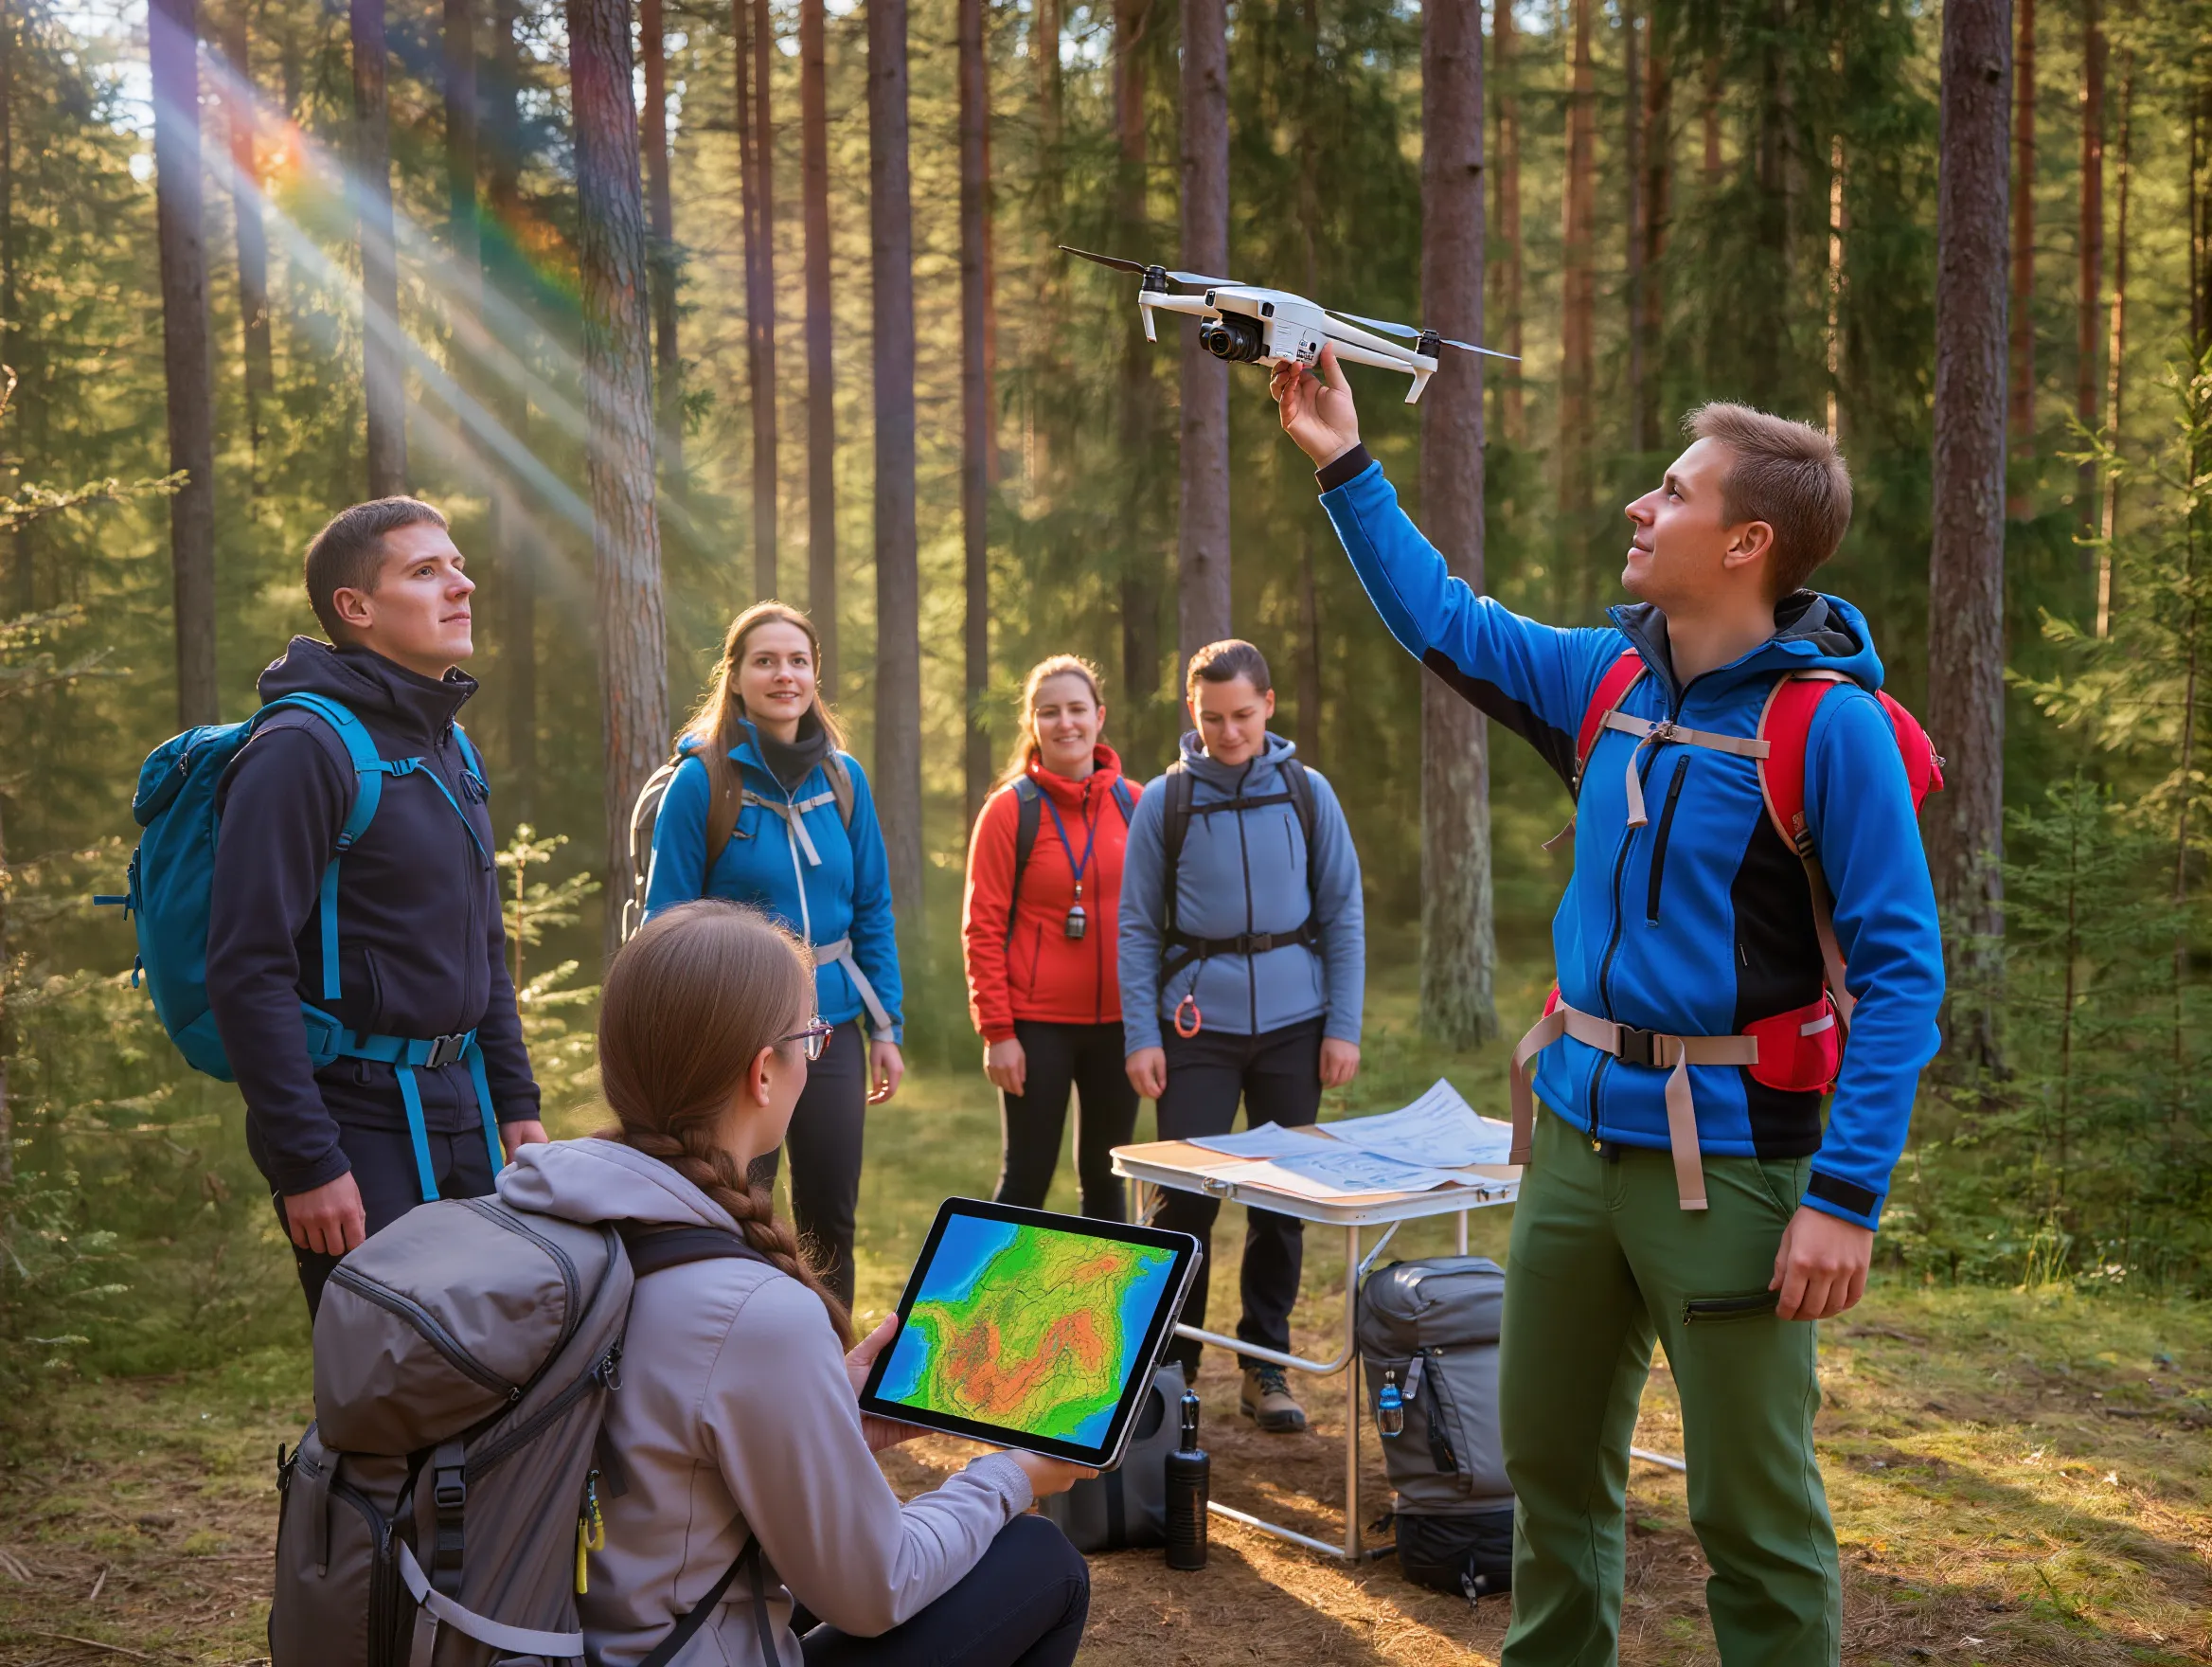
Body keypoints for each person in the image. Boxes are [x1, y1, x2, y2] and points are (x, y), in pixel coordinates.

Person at [1273, 348, 1943, 1664]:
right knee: (1554, 1474)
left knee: (1751, 1512)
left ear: (1747, 542)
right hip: (1575, 1146)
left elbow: (1905, 974)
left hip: (1738, 1169)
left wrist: (1845, 1198)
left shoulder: (1831, 731)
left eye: (1673, 493)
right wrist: (1343, 462)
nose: (1642, 507)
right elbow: (1447, 621)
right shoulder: (1609, 683)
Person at [497, 900, 1093, 1667]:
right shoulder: (753, 1313)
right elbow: (874, 1589)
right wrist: (1010, 1474)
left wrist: (833, 1407)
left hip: (564, 1638)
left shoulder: (554, 1216)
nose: (816, 1057)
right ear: (762, 1072)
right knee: (1039, 1563)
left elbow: (666, 1441)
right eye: (811, 1038)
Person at [206, 497, 546, 1317]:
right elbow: (247, 969)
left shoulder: (448, 744)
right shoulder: (300, 750)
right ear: (355, 608)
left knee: (482, 1367)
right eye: (425, 571)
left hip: (460, 1109)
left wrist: (518, 1106)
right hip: (352, 1124)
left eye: (457, 566)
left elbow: (483, 947)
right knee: (388, 1384)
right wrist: (308, 1162)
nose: (460, 586)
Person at [1117, 639, 1365, 1434]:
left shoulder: (1306, 790)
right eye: (1213, 718)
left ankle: (1266, 1367)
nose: (1229, 733)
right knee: (1182, 1206)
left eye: (1243, 716)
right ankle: (1172, 1373)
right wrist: (1141, 1035)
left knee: (1282, 1208)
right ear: (1194, 714)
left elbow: (1342, 913)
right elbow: (1135, 927)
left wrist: (1343, 1025)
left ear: (1267, 707)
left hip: (1297, 1027)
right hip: (1195, 1029)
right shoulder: (1166, 801)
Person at [643, 601, 902, 1306]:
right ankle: (734, 1357)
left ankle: (829, 1365)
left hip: (832, 1025)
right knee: (738, 1208)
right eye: (765, 661)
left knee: (830, 1215)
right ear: (735, 678)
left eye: (797, 661)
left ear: (815, 675)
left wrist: (887, 1027)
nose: (783, 675)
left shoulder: (845, 779)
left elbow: (873, 907)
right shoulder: (704, 782)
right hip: (740, 1029)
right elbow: (666, 917)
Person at [961, 656, 1143, 1220]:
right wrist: (998, 1032)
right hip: (1034, 1027)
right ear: (1032, 724)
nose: (1066, 723)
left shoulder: (1137, 803)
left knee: (1107, 1182)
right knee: (1026, 1180)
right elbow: (982, 928)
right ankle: (979, 1311)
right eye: (1050, 712)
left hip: (1120, 1025)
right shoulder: (1009, 810)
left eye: (1077, 709)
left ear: (1099, 716)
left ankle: (1100, 1309)